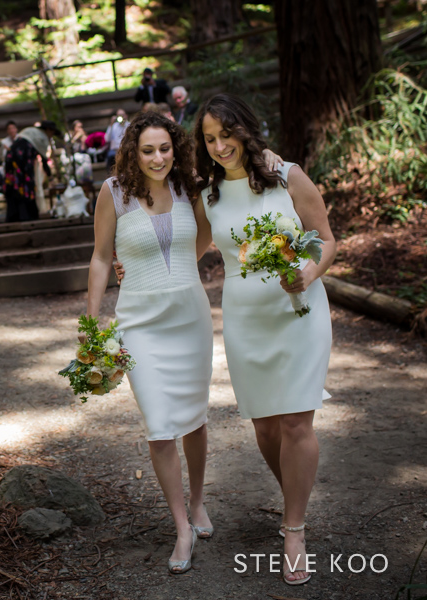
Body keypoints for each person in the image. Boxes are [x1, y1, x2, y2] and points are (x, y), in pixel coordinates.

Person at [193, 93, 336, 586]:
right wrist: (134, 263)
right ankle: (294, 495)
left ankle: (293, 528)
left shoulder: (286, 176)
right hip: (245, 320)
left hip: (299, 313)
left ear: (244, 130)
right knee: (267, 429)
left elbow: (324, 237)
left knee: (297, 421)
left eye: (225, 134)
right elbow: (181, 254)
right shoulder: (208, 197)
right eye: (209, 139)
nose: (219, 146)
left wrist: (309, 272)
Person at [86, 111, 214, 575]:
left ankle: (198, 503)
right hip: (138, 321)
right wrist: (92, 320)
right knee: (160, 427)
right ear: (132, 153)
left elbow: (202, 241)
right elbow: (101, 258)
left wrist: (172, 268)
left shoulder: (190, 189)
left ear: (175, 148)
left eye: (165, 148)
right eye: (147, 150)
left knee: (196, 419)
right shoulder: (113, 193)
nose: (158, 158)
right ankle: (181, 526)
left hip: (190, 317)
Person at [4, 120, 58, 222]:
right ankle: (25, 214)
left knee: (15, 183)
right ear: (48, 130)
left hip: (13, 156)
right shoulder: (42, 137)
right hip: (23, 159)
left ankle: (17, 214)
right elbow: (44, 159)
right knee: (25, 184)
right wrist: (50, 176)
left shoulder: (30, 130)